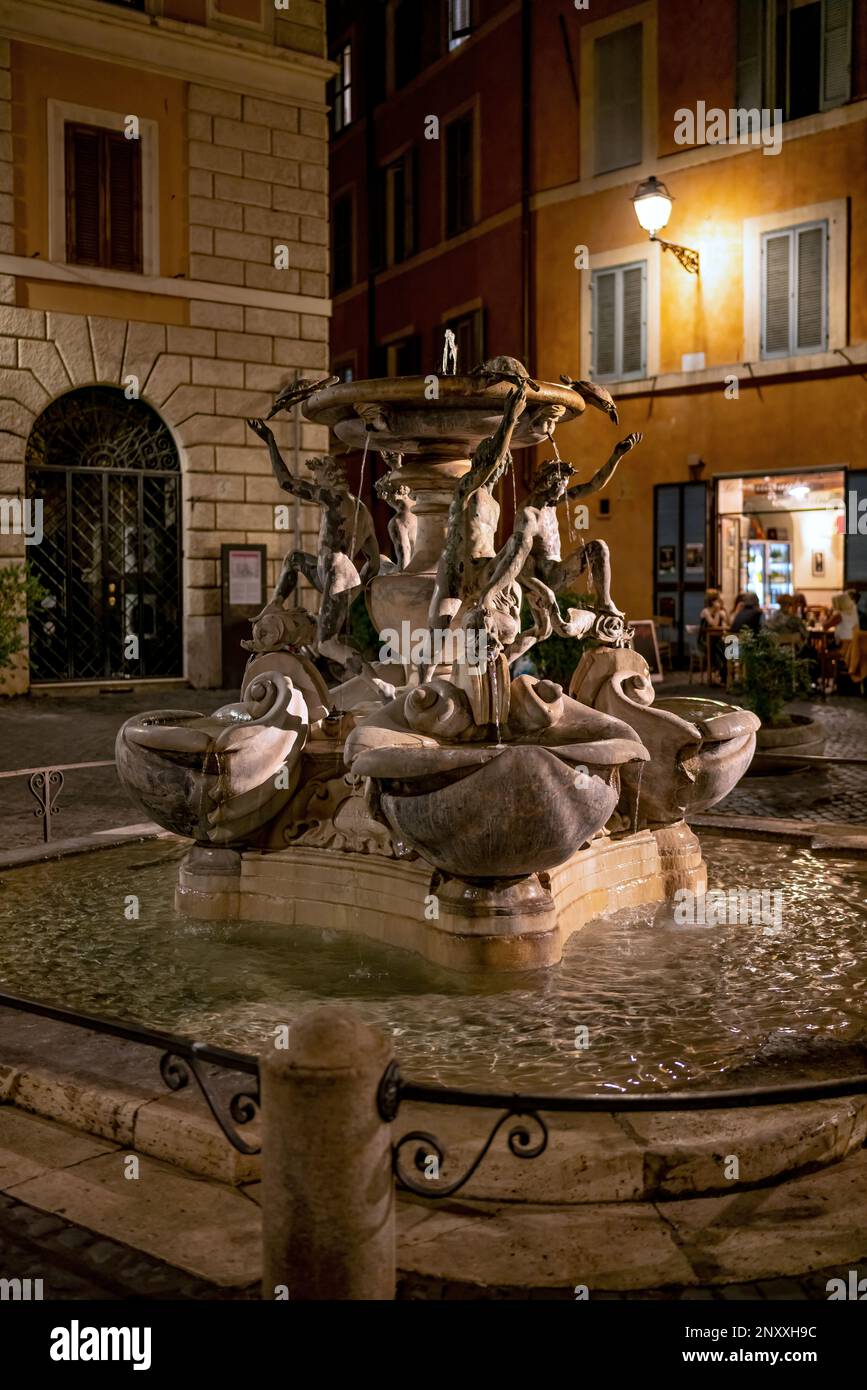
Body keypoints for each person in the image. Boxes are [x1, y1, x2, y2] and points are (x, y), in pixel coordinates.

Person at [698, 588, 728, 681]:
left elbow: (728, 623)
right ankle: (720, 675)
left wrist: (723, 611)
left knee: (726, 648)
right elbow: (714, 624)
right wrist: (718, 612)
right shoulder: (705, 611)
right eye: (718, 599)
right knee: (719, 649)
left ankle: (724, 676)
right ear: (713, 601)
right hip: (705, 641)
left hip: (716, 640)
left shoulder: (720, 611)